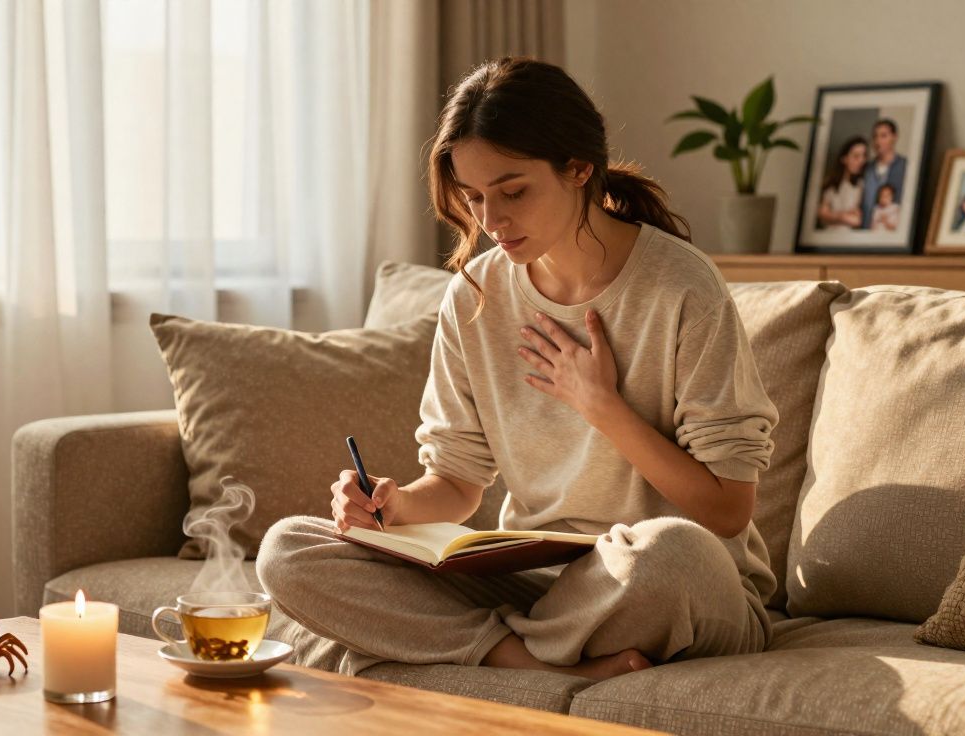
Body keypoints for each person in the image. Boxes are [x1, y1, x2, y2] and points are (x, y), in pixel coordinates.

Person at [257, 57, 778, 683]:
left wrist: (602, 407)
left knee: (670, 554)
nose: (491, 221)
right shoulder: (476, 296)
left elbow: (726, 512)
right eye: (474, 197)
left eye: (513, 191)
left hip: (666, 584)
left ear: (579, 168)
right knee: (288, 548)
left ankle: (484, 652)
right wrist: (393, 508)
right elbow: (457, 482)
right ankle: (526, 659)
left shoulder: (684, 288)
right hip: (537, 583)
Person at [860, 119, 908, 229]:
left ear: (894, 137)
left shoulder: (905, 166)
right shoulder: (867, 169)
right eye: (875, 136)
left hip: (892, 231)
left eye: (883, 136)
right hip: (866, 230)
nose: (878, 141)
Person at [816, 136, 868, 230]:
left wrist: (833, 216)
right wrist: (843, 216)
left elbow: (857, 220)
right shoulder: (830, 184)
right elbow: (822, 213)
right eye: (856, 156)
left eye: (864, 156)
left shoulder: (862, 185)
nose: (861, 161)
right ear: (844, 159)